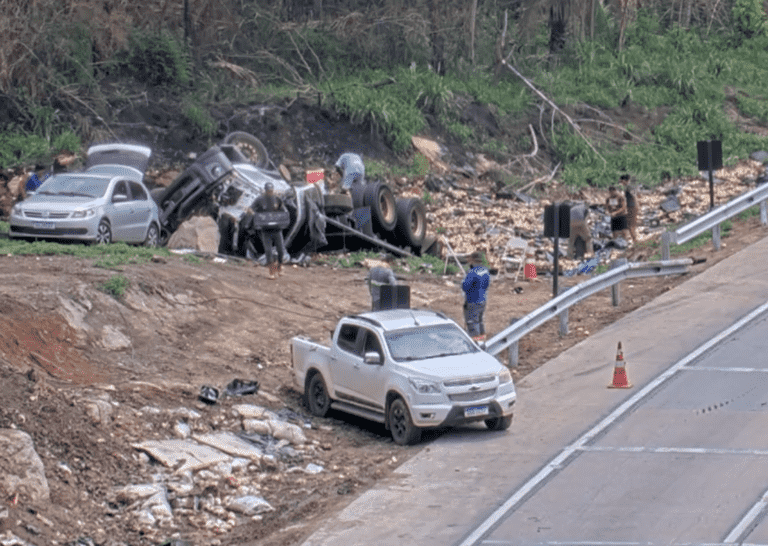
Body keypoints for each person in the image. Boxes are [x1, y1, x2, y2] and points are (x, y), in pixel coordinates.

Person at [252, 182, 288, 280]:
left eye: (271, 191)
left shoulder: (277, 199)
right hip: (265, 230)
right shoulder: (260, 199)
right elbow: (251, 209)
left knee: (281, 250)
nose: (270, 193)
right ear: (265, 191)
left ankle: (279, 267)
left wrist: (282, 218)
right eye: (268, 191)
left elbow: (284, 210)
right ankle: (271, 271)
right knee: (268, 252)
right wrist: (257, 217)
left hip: (277, 229)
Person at [462, 253, 491, 344]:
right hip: (482, 299)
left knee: (472, 322)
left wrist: (464, 281)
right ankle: (482, 340)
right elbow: (486, 285)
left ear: (473, 260)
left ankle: (475, 344)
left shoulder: (473, 272)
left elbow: (465, 286)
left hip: (473, 300)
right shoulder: (485, 270)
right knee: (480, 320)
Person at [621, 174, 639, 244]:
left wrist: (637, 207)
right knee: (630, 224)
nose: (621, 182)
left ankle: (634, 240)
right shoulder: (627, 187)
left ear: (625, 180)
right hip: (630, 207)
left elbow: (634, 197)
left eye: (621, 181)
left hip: (631, 207)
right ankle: (634, 239)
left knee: (630, 224)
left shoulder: (629, 187)